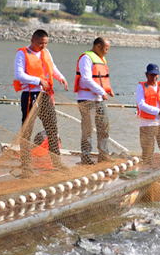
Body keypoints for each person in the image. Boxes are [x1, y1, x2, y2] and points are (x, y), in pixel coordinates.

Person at [14, 29, 68, 176]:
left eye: (45, 43)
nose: (43, 46)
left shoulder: (46, 52)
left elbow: (52, 67)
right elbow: (19, 75)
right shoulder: (22, 53)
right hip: (30, 95)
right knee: (27, 130)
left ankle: (57, 161)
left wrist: (60, 77)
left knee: (52, 127)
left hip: (45, 95)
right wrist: (38, 80)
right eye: (40, 43)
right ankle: (26, 165)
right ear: (32, 40)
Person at [74, 37, 114, 165]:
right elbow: (86, 79)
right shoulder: (86, 57)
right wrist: (101, 91)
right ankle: (86, 157)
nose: (107, 52)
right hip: (86, 99)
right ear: (98, 46)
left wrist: (108, 90)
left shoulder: (101, 59)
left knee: (104, 127)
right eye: (106, 49)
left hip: (99, 99)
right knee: (88, 129)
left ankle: (103, 155)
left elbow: (102, 78)